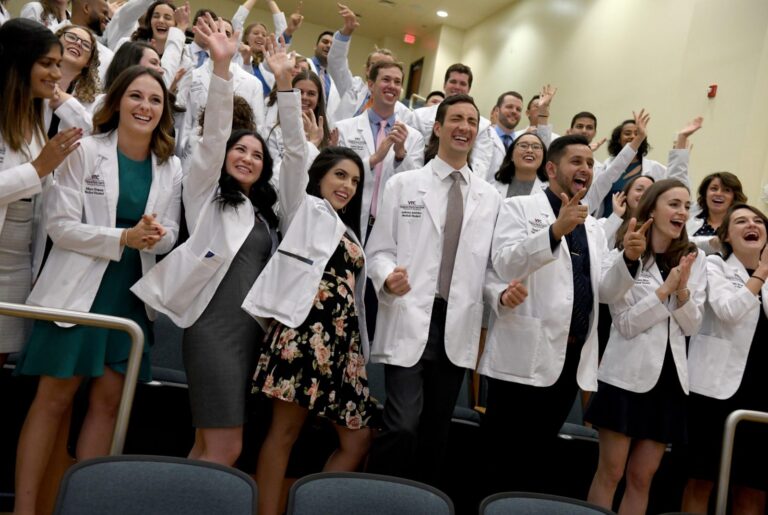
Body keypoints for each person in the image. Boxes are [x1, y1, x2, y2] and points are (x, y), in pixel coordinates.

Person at [14, 64, 181, 515]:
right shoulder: (86, 151)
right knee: (53, 401)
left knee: (108, 405)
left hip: (129, 296)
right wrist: (123, 238)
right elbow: (60, 227)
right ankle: (26, 509)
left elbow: (171, 234)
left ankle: (81, 507)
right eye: (136, 97)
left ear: (164, 112)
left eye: (155, 100)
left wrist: (153, 233)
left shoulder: (171, 166)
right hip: (75, 293)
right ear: (117, 101)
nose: (145, 106)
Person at [242, 35, 378, 515]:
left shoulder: (348, 230)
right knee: (284, 432)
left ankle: (307, 506)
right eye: (340, 175)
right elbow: (296, 153)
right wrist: (284, 87)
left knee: (358, 440)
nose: (347, 185)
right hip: (302, 335)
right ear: (321, 176)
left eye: (355, 181)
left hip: (342, 347)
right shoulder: (303, 208)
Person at [131, 14, 272, 466]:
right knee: (227, 446)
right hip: (212, 327)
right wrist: (223, 69)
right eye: (240, 149)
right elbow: (213, 138)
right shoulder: (205, 193)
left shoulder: (262, 213)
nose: (247, 158)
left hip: (250, 331)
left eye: (256, 154)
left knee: (209, 445)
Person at [480, 134, 644, 494]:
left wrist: (629, 260)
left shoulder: (592, 227)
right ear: (551, 168)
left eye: (589, 162)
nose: (585, 168)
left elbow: (604, 291)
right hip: (521, 358)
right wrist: (555, 231)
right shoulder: (519, 208)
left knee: (537, 459)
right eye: (576, 161)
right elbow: (504, 262)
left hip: (569, 358)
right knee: (500, 458)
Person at [365, 94, 503, 486]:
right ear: (438, 128)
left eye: (472, 122)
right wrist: (388, 275)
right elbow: (378, 251)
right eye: (455, 119)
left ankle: (419, 502)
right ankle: (372, 497)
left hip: (456, 323)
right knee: (402, 424)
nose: (464, 127)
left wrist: (499, 293)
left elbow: (489, 268)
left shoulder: (490, 198)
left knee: (434, 433)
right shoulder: (404, 184)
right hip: (411, 313)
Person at [586, 179, 706, 515]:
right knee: (611, 473)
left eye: (686, 205)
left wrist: (681, 291)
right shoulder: (623, 255)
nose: (682, 211)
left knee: (642, 478)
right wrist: (662, 291)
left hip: (669, 382)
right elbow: (623, 322)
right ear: (652, 207)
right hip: (625, 378)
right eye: (674, 203)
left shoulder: (694, 260)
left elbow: (693, 325)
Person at [0, 19, 83, 369]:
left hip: (18, 265)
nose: (56, 73)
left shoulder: (35, 120)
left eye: (58, 65)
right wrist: (37, 169)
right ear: (18, 63)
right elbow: (33, 173)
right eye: (46, 63)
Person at [683, 204, 768, 515]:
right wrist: (760, 273)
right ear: (727, 236)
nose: (752, 225)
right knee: (700, 482)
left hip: (760, 394)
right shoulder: (714, 265)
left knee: (753, 490)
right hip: (714, 392)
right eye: (742, 221)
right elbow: (728, 311)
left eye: (759, 221)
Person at [335, 60, 425, 239]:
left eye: (397, 82)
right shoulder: (344, 129)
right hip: (348, 218)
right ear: (371, 85)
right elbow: (336, 174)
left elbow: (416, 186)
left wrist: (400, 155)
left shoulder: (414, 138)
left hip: (389, 226)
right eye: (386, 80)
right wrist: (374, 159)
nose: (392, 86)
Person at [596, 116, 702, 217]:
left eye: (637, 133)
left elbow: (677, 185)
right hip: (606, 227)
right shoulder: (605, 167)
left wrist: (681, 143)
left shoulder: (654, 168)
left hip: (641, 225)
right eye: (627, 133)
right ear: (618, 139)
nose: (633, 136)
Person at [328, 4, 412, 125]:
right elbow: (336, 62)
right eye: (376, 65)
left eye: (387, 66)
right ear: (367, 70)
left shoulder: (404, 113)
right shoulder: (352, 88)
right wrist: (346, 32)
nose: (381, 70)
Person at [410, 63, 494, 175]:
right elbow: (413, 155)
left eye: (463, 84)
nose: (457, 87)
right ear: (444, 85)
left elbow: (480, 163)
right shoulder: (420, 116)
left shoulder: (482, 125)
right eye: (453, 82)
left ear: (469, 89)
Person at [687, 171, 747, 254]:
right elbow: (678, 243)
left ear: (734, 197)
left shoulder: (742, 224)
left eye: (726, 190)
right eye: (714, 189)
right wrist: (711, 242)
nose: (719, 193)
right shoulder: (689, 217)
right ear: (705, 193)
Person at [490, 131, 547, 196]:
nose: (530, 150)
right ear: (511, 155)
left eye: (536, 147)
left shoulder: (550, 190)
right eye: (523, 146)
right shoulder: (492, 188)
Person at [484, 91, 523, 179]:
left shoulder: (521, 142)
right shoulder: (484, 135)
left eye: (518, 109)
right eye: (509, 107)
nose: (514, 111)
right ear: (497, 110)